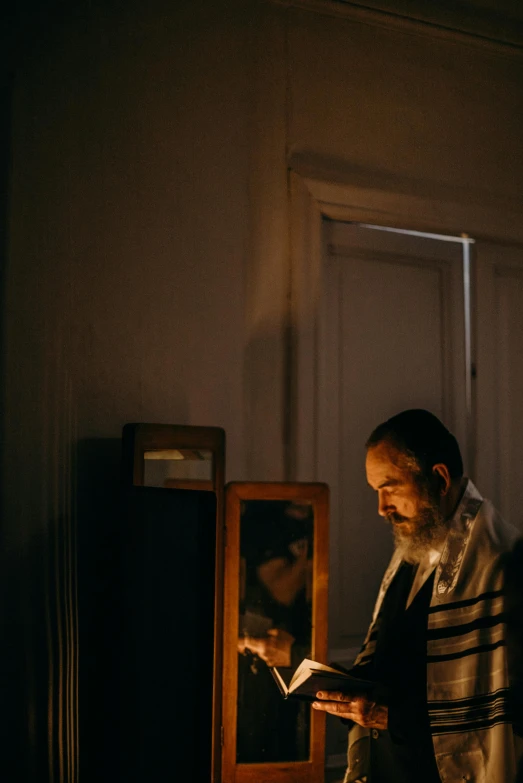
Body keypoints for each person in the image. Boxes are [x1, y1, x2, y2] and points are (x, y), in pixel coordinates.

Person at [312, 409, 523, 783]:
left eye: (390, 487)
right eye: (375, 491)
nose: (381, 508)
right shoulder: (410, 554)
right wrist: (351, 685)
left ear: (439, 479)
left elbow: (504, 713)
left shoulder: (501, 564)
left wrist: (386, 715)